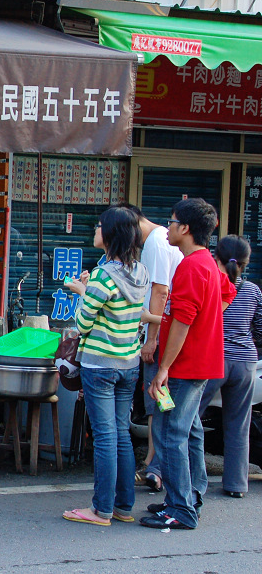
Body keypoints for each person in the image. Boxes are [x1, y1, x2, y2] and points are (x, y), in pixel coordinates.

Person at [141, 198, 235, 530]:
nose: (167, 228)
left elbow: (182, 320)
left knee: (171, 434)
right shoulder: (206, 262)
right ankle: (185, 498)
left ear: (185, 229)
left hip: (185, 367)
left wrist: (164, 367)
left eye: (172, 222)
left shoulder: (193, 266)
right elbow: (227, 293)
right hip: (197, 364)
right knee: (181, 431)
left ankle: (182, 508)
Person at [61, 206, 149, 526]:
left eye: (99, 226)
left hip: (100, 365)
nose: (95, 230)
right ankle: (124, 506)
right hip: (129, 362)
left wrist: (82, 290)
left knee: (104, 436)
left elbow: (83, 322)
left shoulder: (102, 275)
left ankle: (101, 509)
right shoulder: (140, 271)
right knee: (121, 434)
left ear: (110, 234)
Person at [197, 235, 262, 499]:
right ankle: (236, 485)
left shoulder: (212, 285)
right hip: (246, 363)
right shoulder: (254, 291)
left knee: (188, 418)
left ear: (216, 258)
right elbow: (260, 329)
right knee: (238, 425)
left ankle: (176, 476)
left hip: (214, 360)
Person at [129, 205, 184, 493]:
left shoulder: (155, 243)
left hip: (161, 333)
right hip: (164, 329)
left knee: (158, 398)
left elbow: (160, 291)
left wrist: (151, 338)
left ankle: (156, 467)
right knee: (157, 402)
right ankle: (153, 463)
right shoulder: (160, 241)